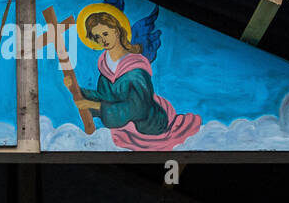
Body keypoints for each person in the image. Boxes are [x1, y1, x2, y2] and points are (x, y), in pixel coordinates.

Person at [63, 11, 199, 150]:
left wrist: (96, 106)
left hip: (149, 125)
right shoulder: (105, 68)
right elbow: (105, 97)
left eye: (105, 34)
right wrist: (76, 89)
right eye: (97, 37)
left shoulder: (135, 68)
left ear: (116, 31)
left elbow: (138, 107)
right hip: (126, 128)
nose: (102, 40)